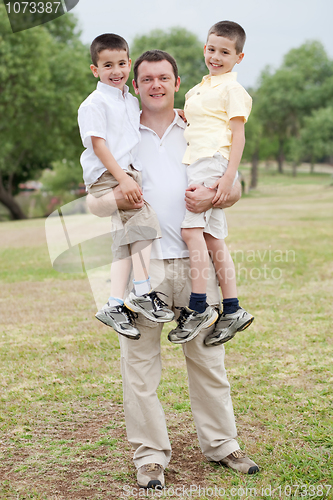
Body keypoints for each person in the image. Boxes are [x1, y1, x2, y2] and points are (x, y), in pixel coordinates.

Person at [87, 49, 259, 489]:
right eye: (147, 80)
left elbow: (233, 187)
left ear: (178, 82)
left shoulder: (198, 126)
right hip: (144, 268)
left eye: (164, 77)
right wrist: (116, 199)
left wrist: (216, 196)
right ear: (135, 85)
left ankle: (222, 445)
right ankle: (150, 457)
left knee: (207, 360)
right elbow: (93, 202)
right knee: (139, 368)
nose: (156, 85)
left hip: (193, 263)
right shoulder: (120, 133)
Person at [78, 34, 174, 340]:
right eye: (107, 65)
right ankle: (142, 292)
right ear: (95, 70)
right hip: (110, 174)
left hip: (127, 172)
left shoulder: (129, 101)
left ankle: (114, 303)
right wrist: (122, 179)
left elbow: (142, 122)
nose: (116, 70)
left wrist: (180, 113)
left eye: (121, 63)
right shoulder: (95, 103)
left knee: (125, 238)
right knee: (146, 223)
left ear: (128, 63)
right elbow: (99, 145)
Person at [169, 21, 254, 347]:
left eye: (224, 52)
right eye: (211, 49)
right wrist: (182, 114)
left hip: (212, 163)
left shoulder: (233, 90)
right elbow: (202, 119)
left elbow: (237, 135)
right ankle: (232, 309)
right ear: (205, 48)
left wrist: (227, 179)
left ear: (239, 57)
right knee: (212, 238)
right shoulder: (199, 89)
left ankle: (200, 306)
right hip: (200, 162)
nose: (215, 56)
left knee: (190, 232)